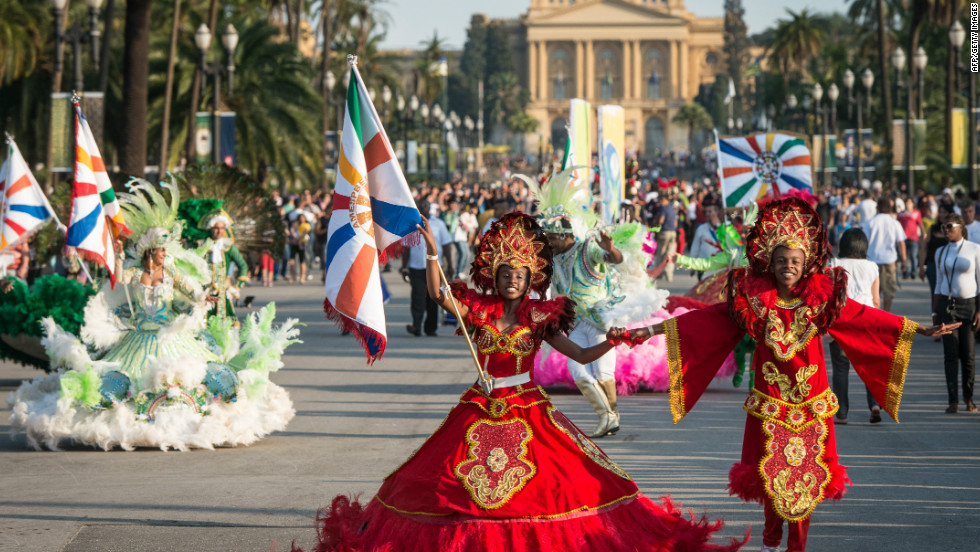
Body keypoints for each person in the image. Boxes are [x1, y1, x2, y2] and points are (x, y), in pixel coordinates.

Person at [297, 212, 743, 552]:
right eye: (506, 273)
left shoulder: (541, 316)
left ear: (532, 280)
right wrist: (431, 251)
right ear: (494, 275)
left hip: (527, 407)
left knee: (560, 485)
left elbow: (583, 355)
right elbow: (438, 295)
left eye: (520, 274)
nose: (512, 279)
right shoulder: (478, 309)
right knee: (439, 482)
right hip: (479, 404)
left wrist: (615, 342)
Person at [631, 198, 956, 552]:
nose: (788, 267)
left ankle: (796, 548)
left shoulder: (822, 300)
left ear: (807, 265)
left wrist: (917, 330)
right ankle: (771, 544)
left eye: (795, 262)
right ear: (770, 262)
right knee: (773, 479)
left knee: (807, 481)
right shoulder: (752, 300)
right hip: (770, 406)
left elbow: (865, 318)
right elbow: (706, 319)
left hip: (811, 406)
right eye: (782, 261)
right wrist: (648, 332)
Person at [9, 180, 299, 451]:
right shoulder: (136, 273)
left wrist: (204, 297)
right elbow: (118, 278)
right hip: (137, 338)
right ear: (150, 251)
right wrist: (119, 253)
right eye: (161, 249)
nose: (165, 253)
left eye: (165, 250)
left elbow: (189, 290)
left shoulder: (170, 271)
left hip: (171, 335)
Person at [827, 228, 882, 424]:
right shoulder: (873, 266)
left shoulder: (835, 263)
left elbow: (830, 294)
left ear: (844, 245)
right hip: (866, 320)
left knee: (841, 368)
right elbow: (876, 300)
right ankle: (874, 404)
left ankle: (841, 414)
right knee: (868, 365)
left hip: (842, 322)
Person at [932, 214, 980, 413]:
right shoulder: (940, 252)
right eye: (944, 226)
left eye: (949, 226)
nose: (946, 229)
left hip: (969, 305)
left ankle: (968, 398)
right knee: (950, 355)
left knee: (968, 355)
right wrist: (935, 312)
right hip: (947, 305)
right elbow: (938, 283)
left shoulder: (974, 249)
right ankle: (953, 401)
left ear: (960, 228)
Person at [401, 200, 452, 336]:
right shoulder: (411, 225)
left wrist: (450, 265)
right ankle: (416, 326)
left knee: (434, 298)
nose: (423, 208)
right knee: (418, 297)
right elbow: (406, 247)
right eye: (421, 206)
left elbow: (446, 245)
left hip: (435, 267)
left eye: (425, 206)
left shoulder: (439, 224)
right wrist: (403, 267)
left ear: (429, 208)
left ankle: (431, 328)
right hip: (416, 267)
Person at [862, 198, 906, 312]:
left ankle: (875, 313)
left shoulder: (870, 222)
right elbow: (901, 243)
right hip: (889, 260)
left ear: (878, 208)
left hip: (872, 260)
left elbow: (864, 242)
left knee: (873, 290)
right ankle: (886, 312)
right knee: (889, 291)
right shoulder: (894, 222)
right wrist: (904, 260)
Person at [896, 198, 923, 279]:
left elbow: (920, 224)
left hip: (913, 237)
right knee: (903, 257)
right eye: (907, 202)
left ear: (913, 204)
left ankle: (913, 271)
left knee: (913, 256)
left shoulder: (916, 213)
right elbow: (897, 225)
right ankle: (905, 271)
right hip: (903, 238)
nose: (908, 204)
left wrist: (922, 235)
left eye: (910, 202)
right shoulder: (901, 214)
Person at [656, 194, 679, 281]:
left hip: (664, 232)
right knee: (670, 253)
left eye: (662, 200)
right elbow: (675, 223)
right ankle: (669, 274)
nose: (661, 202)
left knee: (661, 253)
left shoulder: (664, 209)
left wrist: (657, 225)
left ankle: (659, 272)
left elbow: (661, 220)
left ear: (666, 201)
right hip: (673, 232)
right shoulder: (672, 209)